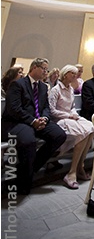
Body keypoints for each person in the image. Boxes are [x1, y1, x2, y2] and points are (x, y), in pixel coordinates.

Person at [1, 58, 66, 195]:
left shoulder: (43, 87)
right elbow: (14, 109)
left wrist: (45, 118)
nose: (46, 72)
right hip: (16, 122)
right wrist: (32, 121)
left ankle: (29, 169)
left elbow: (46, 107)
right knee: (29, 141)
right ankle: (24, 183)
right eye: (44, 68)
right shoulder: (18, 85)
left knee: (59, 135)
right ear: (34, 68)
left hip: (36, 121)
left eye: (47, 69)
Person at [48, 64, 94, 188]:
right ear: (65, 74)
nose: (75, 76)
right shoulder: (56, 90)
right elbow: (52, 111)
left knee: (91, 128)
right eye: (72, 73)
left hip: (70, 117)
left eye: (75, 73)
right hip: (61, 120)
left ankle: (80, 166)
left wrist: (74, 115)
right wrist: (69, 116)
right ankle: (72, 171)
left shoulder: (70, 89)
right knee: (81, 132)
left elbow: (72, 107)